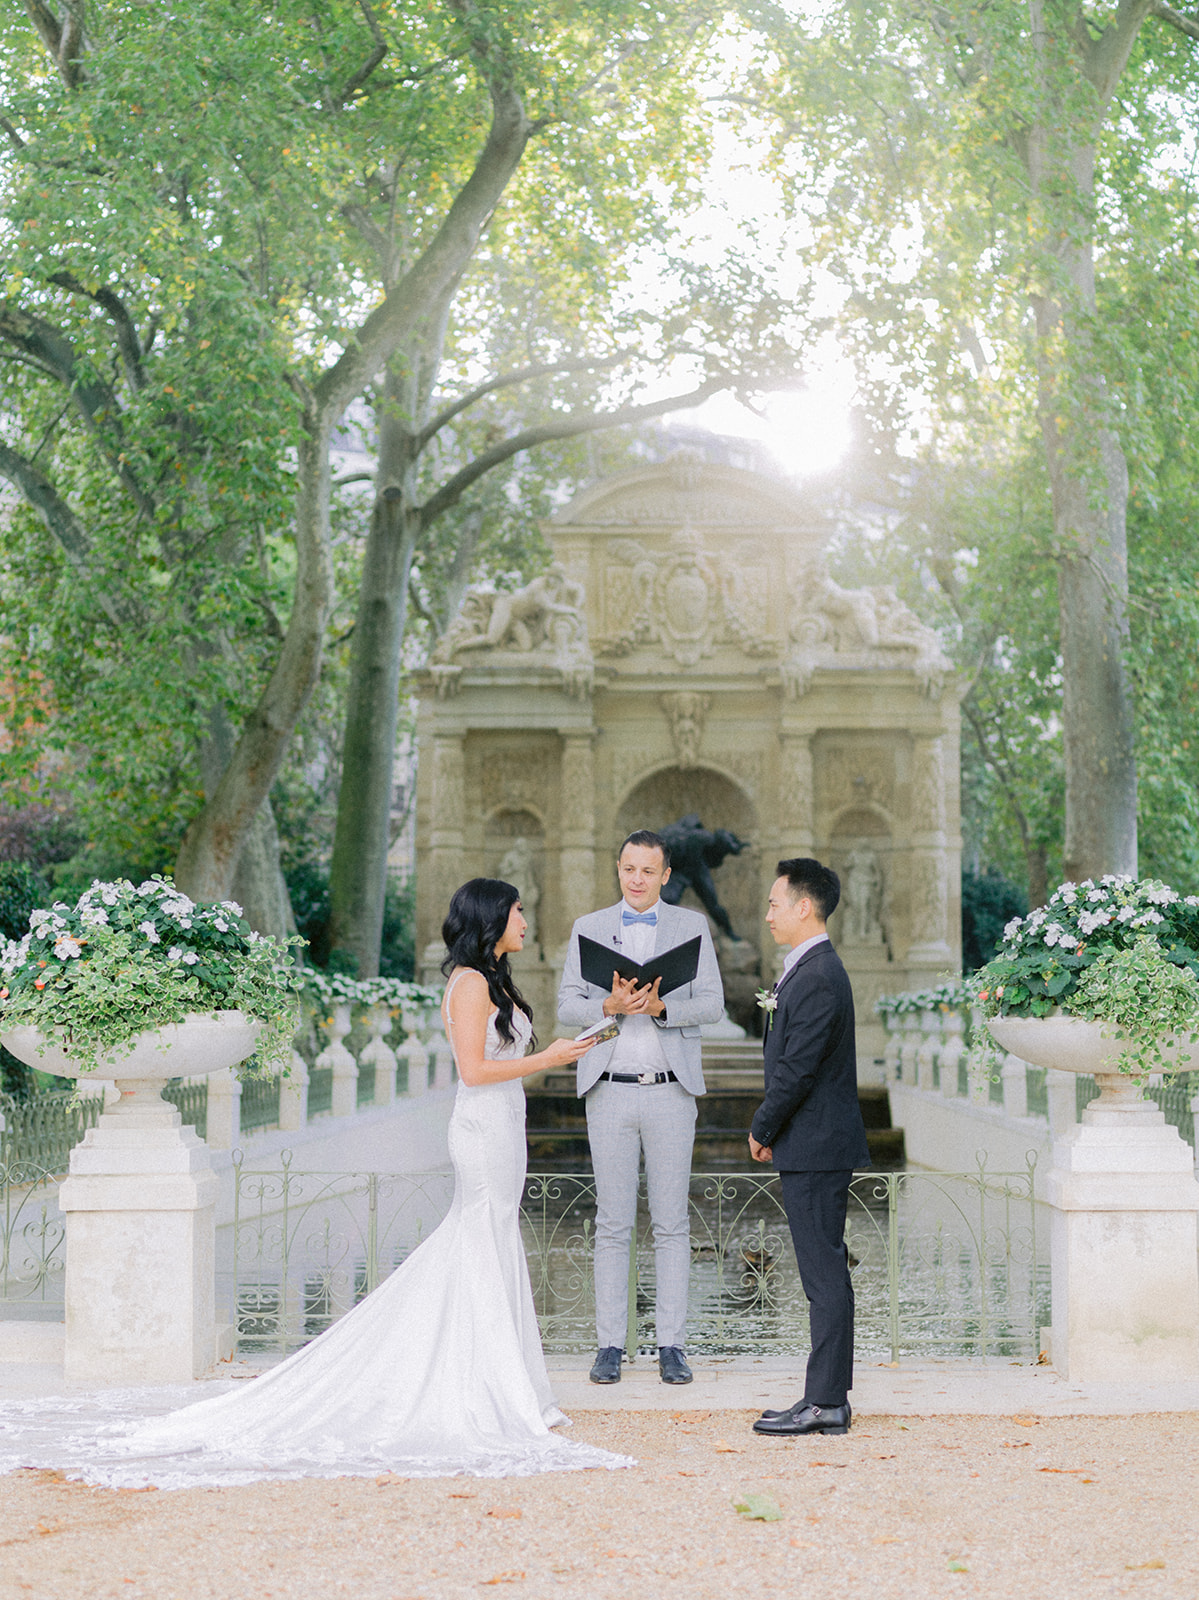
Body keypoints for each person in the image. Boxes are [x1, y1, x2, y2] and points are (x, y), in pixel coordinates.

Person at [1, 880, 630, 1488]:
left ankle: (505, 1379)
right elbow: (473, 1070)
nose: (527, 921)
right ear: (492, 919)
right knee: (478, 1237)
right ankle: (487, 1384)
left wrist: (581, 1034)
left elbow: (503, 1059)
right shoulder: (468, 986)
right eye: (518, 912)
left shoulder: (495, 981)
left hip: (505, 1122)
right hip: (482, 1127)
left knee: (492, 1239)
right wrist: (547, 1059)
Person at [557, 830, 724, 1387]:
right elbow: (564, 1005)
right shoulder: (587, 928)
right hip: (608, 1087)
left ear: (665, 875)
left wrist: (660, 1006)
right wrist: (605, 1005)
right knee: (611, 1222)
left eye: (647, 871)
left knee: (672, 1223)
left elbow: (714, 1005)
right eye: (628, 868)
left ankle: (671, 1345)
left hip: (672, 1090)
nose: (636, 879)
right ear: (618, 868)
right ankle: (609, 1345)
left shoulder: (692, 927)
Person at [749, 858, 869, 1438]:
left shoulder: (818, 974)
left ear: (803, 907)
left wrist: (762, 1127)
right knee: (825, 1274)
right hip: (812, 1142)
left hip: (816, 1145)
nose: (767, 914)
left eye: (775, 904)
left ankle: (825, 1401)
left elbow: (797, 1070)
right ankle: (827, 1397)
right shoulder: (808, 968)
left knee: (823, 1276)